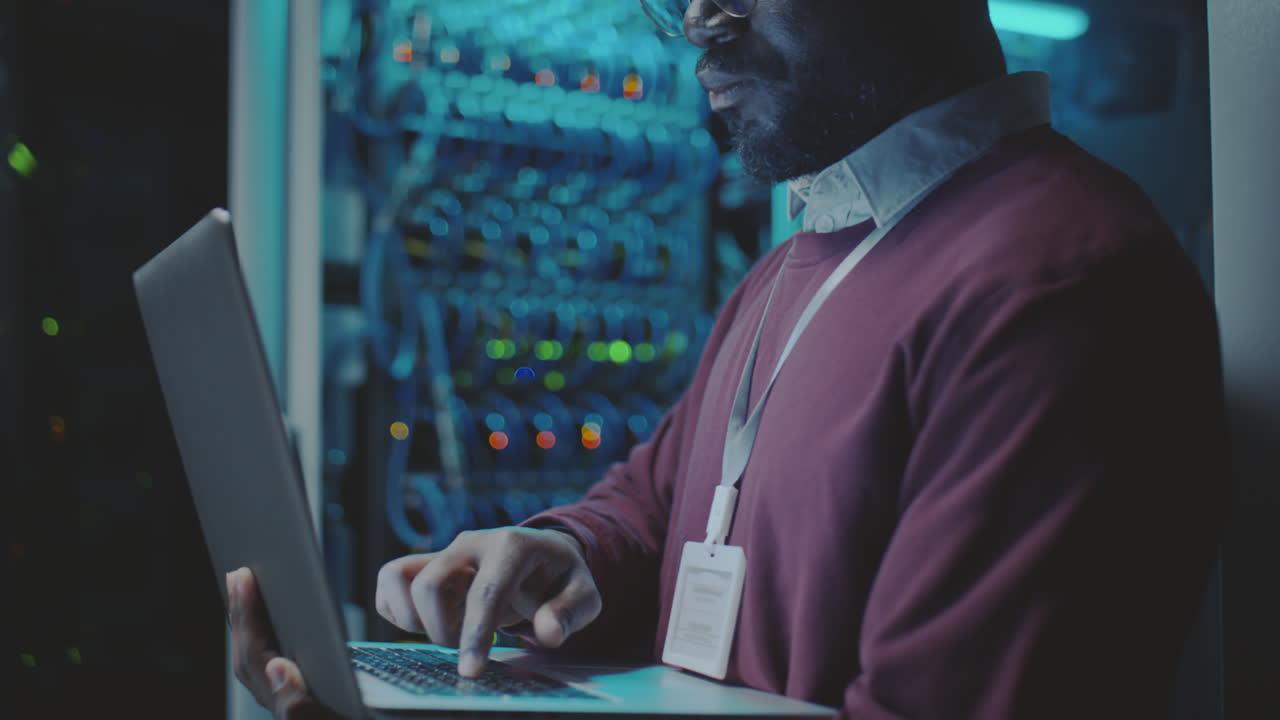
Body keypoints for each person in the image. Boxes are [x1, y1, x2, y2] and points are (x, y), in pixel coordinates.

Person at [226, 0, 1228, 717]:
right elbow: (655, 503)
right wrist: (559, 555)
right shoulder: (801, 257)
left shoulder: (1058, 288)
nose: (701, 20)